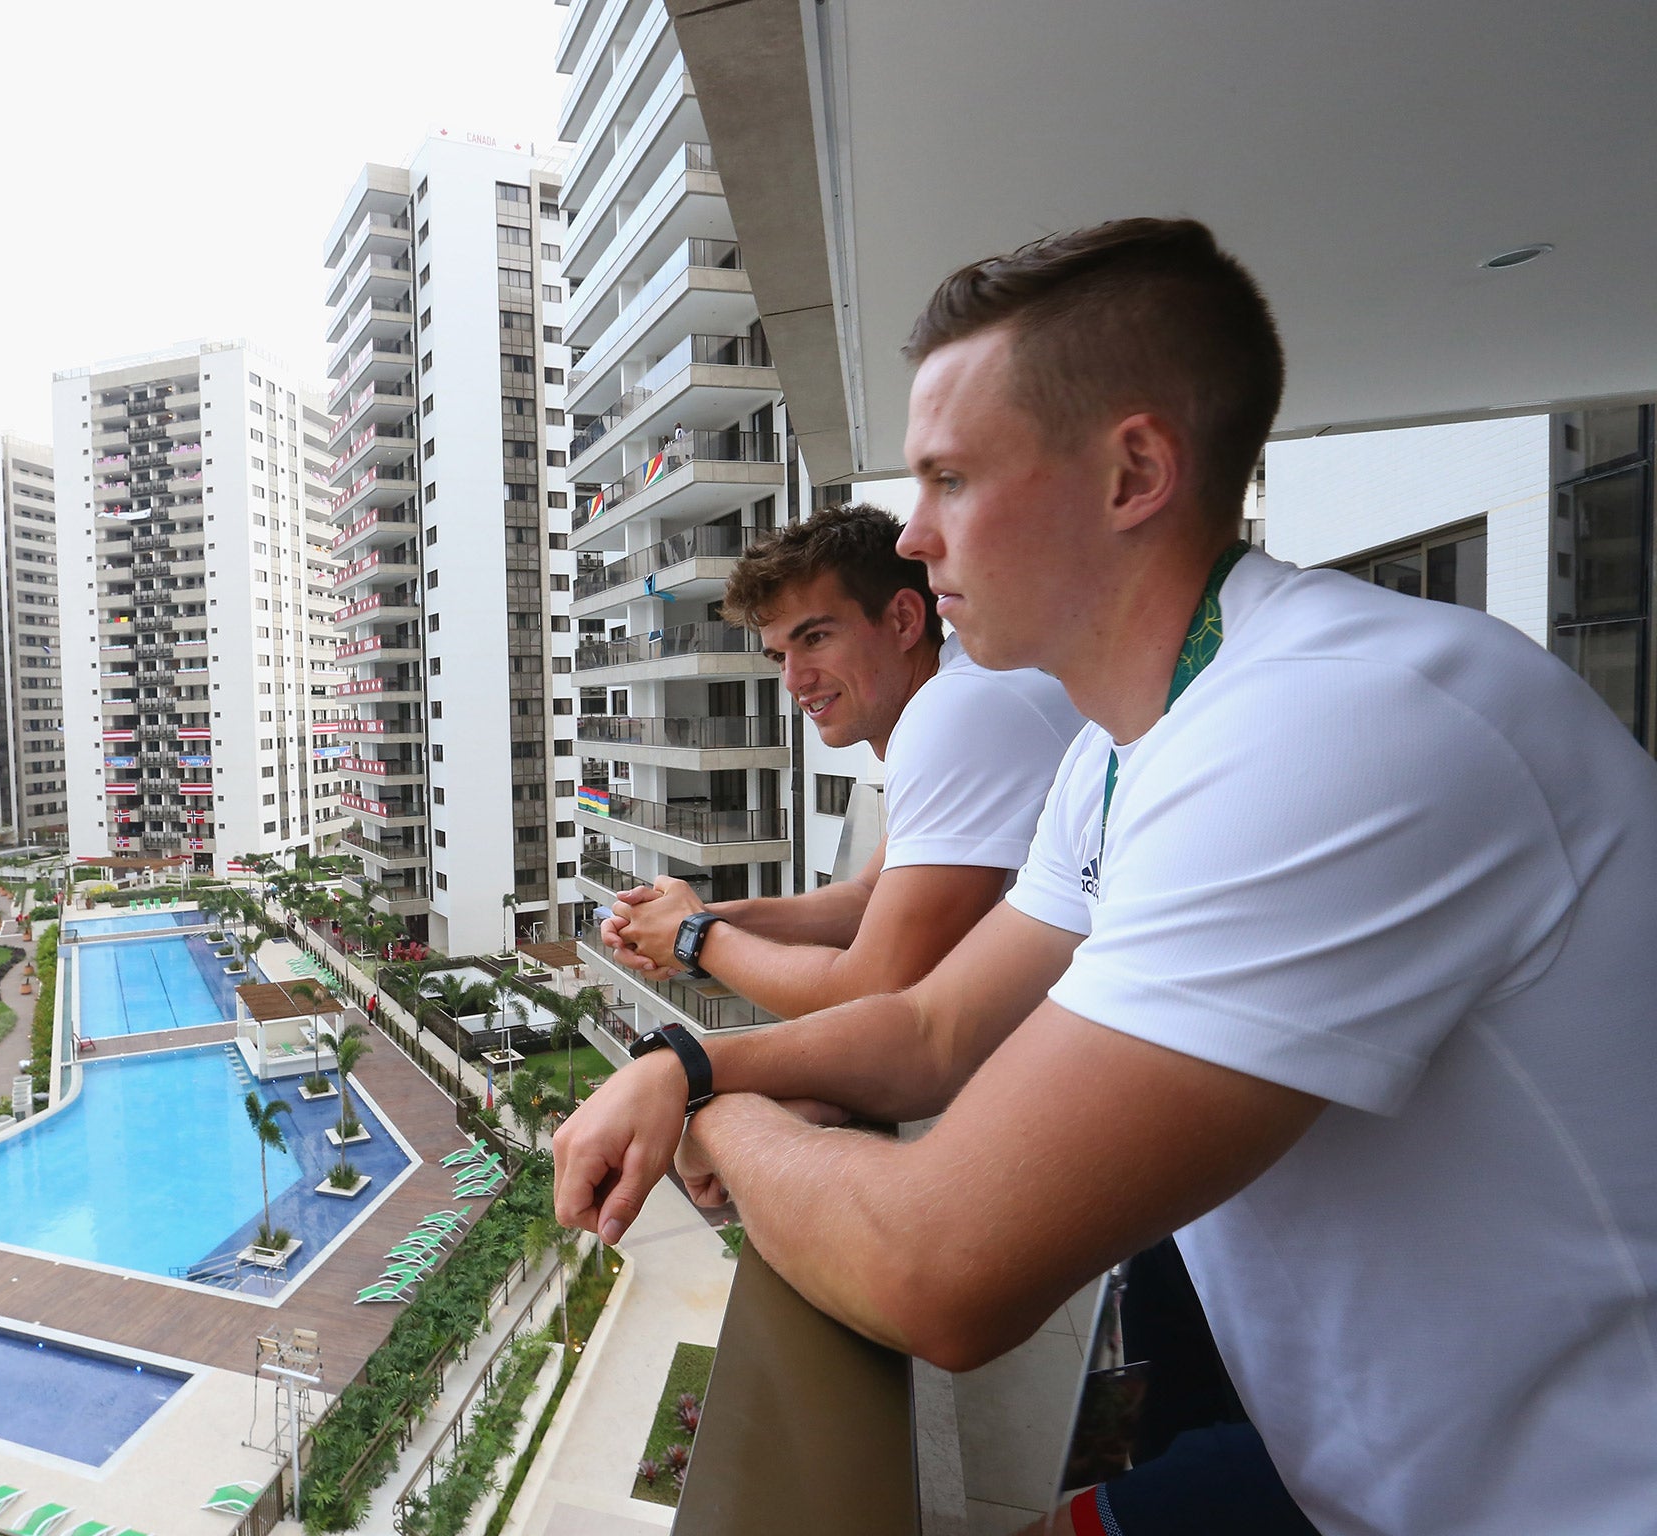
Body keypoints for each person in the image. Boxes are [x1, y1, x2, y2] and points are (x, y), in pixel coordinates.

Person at [553, 218, 1657, 1536]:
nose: (913, 541)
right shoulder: (1128, 746)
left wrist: (715, 1124)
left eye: (952, 479)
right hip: (1360, 1472)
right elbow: (931, 1030)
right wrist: (691, 1067)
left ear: (1134, 470)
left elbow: (943, 1274)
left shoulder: (1339, 727)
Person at [603, 502, 1081, 1016]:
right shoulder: (958, 688)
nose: (795, 680)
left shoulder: (955, 710)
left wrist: (694, 938)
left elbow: (871, 994)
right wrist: (701, 916)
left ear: (903, 620)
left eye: (816, 638)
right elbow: (865, 897)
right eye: (780, 656)